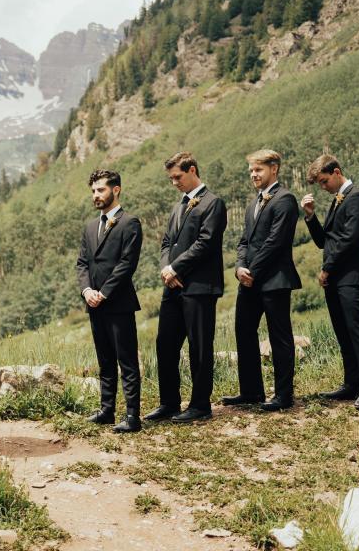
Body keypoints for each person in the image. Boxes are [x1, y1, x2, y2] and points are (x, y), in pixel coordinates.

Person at [147, 152, 227, 424]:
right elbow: (166, 242)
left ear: (192, 170)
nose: (174, 183)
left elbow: (205, 243)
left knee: (199, 347)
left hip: (200, 287)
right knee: (165, 344)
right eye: (171, 178)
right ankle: (169, 402)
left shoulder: (213, 203)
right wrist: (165, 269)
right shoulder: (178, 206)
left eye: (178, 177)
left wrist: (176, 268)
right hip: (173, 287)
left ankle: (201, 405)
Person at [225, 149, 301, 411]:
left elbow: (275, 243)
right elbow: (244, 241)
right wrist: (239, 267)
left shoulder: (286, 199)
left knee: (279, 336)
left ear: (274, 169)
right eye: (251, 171)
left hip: (274, 280)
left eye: (258, 170)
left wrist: (252, 272)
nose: (253, 175)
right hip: (249, 280)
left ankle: (283, 395)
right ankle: (251, 391)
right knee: (243, 331)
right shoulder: (252, 204)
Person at [75, 169, 144, 432]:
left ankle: (132, 416)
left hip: (118, 303)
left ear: (116, 190)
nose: (96, 195)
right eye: (93, 191)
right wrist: (87, 291)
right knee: (104, 360)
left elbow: (127, 264)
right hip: (94, 303)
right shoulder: (91, 226)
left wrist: (104, 293)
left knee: (126, 360)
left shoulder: (130, 223)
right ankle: (106, 410)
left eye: (101, 190)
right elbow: (82, 263)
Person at [302, 154, 359, 408]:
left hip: (351, 277)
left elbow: (350, 240)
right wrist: (310, 216)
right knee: (343, 331)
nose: (323, 187)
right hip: (336, 280)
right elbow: (325, 241)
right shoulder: (337, 201)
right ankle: (351, 383)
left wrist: (327, 269)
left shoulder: (357, 198)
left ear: (337, 172)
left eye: (324, 181)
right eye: (319, 183)